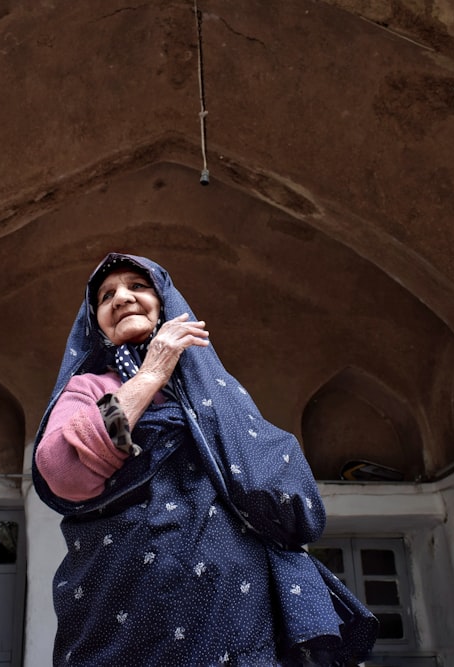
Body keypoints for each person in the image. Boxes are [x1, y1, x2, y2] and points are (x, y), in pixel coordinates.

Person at [32, 253, 378, 666]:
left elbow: (279, 481)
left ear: (167, 303)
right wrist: (150, 375)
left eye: (138, 287)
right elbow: (66, 470)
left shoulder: (216, 391)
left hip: (235, 615)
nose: (122, 298)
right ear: (96, 325)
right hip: (126, 614)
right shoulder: (91, 387)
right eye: (106, 295)